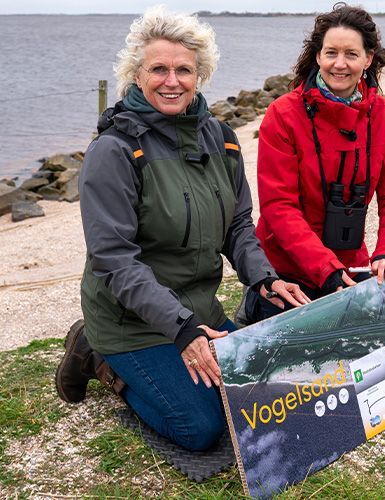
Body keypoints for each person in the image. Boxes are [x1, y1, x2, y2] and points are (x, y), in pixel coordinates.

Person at [55, 6, 309, 452]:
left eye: (184, 70)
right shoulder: (114, 150)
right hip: (131, 320)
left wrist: (263, 278)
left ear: (200, 76)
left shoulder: (222, 139)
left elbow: (238, 225)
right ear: (136, 75)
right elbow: (114, 259)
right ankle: (97, 356)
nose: (172, 80)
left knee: (266, 398)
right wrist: (181, 328)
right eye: (159, 69)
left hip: (199, 311)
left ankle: (170, 350)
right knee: (200, 428)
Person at [241, 3, 385, 324]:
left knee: (367, 369)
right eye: (331, 52)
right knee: (290, 372)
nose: (340, 63)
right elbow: (279, 207)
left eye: (351, 54)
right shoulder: (283, 114)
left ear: (368, 58)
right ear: (318, 56)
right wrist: (325, 270)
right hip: (287, 268)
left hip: (351, 264)